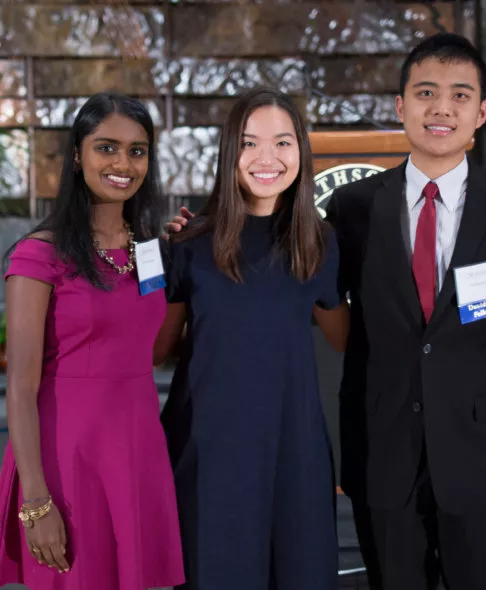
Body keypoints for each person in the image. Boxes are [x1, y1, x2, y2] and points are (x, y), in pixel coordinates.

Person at [326, 33, 486, 590]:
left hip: (485, 465)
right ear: (401, 107)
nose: (441, 108)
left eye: (460, 95)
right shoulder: (352, 209)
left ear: (482, 112)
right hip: (383, 457)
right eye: (426, 92)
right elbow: (307, 290)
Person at [155, 87, 349, 590]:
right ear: (229, 153)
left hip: (294, 450)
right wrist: (150, 260)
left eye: (282, 142)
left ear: (301, 152)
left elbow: (348, 339)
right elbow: (156, 350)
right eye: (249, 143)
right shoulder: (188, 241)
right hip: (209, 452)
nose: (267, 158)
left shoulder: (319, 242)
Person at [0, 92, 185, 590]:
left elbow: (154, 350)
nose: (123, 163)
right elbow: (19, 386)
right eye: (107, 147)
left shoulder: (149, 251)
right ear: (77, 155)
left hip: (138, 452)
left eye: (137, 150)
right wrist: (35, 499)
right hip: (66, 458)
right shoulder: (39, 255)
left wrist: (188, 253)